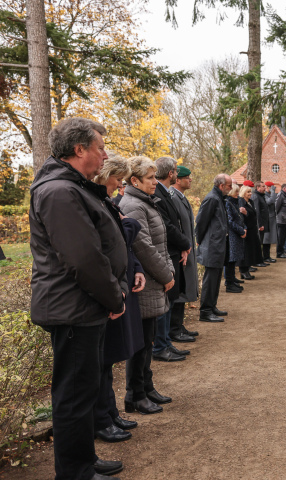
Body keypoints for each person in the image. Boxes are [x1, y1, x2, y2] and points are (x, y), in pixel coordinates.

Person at [30, 117, 126, 479]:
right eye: (99, 148)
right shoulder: (59, 192)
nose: (105, 155)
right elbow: (82, 258)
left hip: (82, 306)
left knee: (84, 392)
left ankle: (83, 459)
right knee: (73, 396)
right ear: (79, 149)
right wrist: (113, 298)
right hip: (73, 309)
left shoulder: (73, 186)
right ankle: (75, 471)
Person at [93, 157, 145, 444]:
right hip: (108, 291)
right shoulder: (101, 203)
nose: (120, 186)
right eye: (118, 180)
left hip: (121, 284)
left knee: (110, 358)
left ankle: (109, 411)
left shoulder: (109, 203)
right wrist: (128, 225)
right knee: (102, 360)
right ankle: (102, 417)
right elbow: (113, 241)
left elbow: (125, 246)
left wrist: (136, 270)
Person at [121, 156, 178, 417]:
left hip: (154, 281)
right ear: (135, 181)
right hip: (145, 282)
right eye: (151, 178)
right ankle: (135, 394)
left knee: (149, 337)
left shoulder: (144, 202)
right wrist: (166, 274)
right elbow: (144, 247)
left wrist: (168, 271)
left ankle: (147, 386)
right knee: (141, 342)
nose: (156, 182)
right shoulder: (133, 205)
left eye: (156, 177)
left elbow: (160, 243)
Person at [152, 157, 192, 361]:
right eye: (176, 171)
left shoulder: (163, 191)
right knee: (165, 302)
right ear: (171, 173)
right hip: (167, 252)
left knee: (169, 301)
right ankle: (160, 345)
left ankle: (166, 341)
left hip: (173, 252)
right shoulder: (157, 193)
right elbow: (168, 225)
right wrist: (185, 244)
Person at [195, 174, 232, 323]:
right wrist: (200, 241)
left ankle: (212, 306)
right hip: (212, 246)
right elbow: (201, 222)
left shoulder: (219, 198)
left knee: (216, 278)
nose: (231, 188)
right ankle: (205, 311)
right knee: (210, 279)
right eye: (229, 185)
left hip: (217, 244)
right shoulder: (212, 198)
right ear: (221, 186)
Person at [170, 166, 200, 343]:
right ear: (177, 180)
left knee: (185, 286)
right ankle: (174, 329)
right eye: (187, 177)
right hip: (181, 251)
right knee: (180, 289)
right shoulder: (174, 198)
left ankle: (178, 325)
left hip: (187, 249)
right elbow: (176, 226)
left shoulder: (181, 197)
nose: (190, 180)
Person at [238, 183, 265, 278]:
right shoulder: (241, 201)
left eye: (250, 192)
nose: (250, 194)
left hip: (252, 229)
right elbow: (241, 216)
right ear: (243, 193)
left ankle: (246, 269)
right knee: (246, 250)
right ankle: (243, 271)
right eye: (248, 192)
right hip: (247, 230)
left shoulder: (250, 202)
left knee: (250, 250)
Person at [226, 184, 247, 292]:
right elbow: (230, 221)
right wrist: (241, 230)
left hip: (237, 233)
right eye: (236, 192)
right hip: (232, 234)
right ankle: (229, 283)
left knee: (234, 259)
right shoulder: (228, 203)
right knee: (230, 259)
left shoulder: (235, 202)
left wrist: (244, 228)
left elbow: (239, 218)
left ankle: (232, 279)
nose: (238, 194)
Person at [251, 181, 270, 268]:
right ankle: (257, 261)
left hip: (264, 223)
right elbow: (257, 211)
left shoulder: (261, 196)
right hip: (260, 224)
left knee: (261, 242)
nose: (265, 188)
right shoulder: (256, 196)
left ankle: (259, 260)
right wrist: (260, 224)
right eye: (263, 187)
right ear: (258, 187)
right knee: (258, 242)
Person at [275, 184, 286, 259]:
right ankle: (279, 253)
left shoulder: (284, 196)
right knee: (281, 237)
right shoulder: (281, 196)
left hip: (284, 220)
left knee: (283, 237)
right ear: (284, 188)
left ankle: (281, 251)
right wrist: (280, 216)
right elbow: (276, 207)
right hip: (281, 220)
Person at [263, 181, 279, 263]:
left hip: (271, 218)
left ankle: (267, 256)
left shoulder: (269, 194)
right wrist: (273, 192)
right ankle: (265, 256)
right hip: (268, 219)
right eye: (271, 187)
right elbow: (270, 201)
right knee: (266, 238)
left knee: (269, 238)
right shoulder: (265, 195)